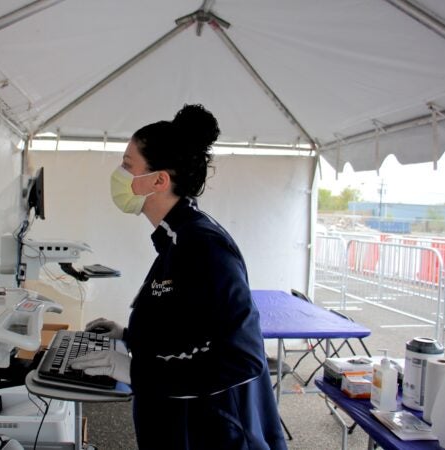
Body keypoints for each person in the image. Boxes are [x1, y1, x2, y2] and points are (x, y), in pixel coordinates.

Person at [71, 104, 287, 450]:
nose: (119, 175)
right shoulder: (177, 238)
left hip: (209, 433)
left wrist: (133, 371)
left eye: (128, 166)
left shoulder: (203, 246)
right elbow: (188, 326)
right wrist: (128, 336)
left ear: (159, 180)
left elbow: (242, 357)